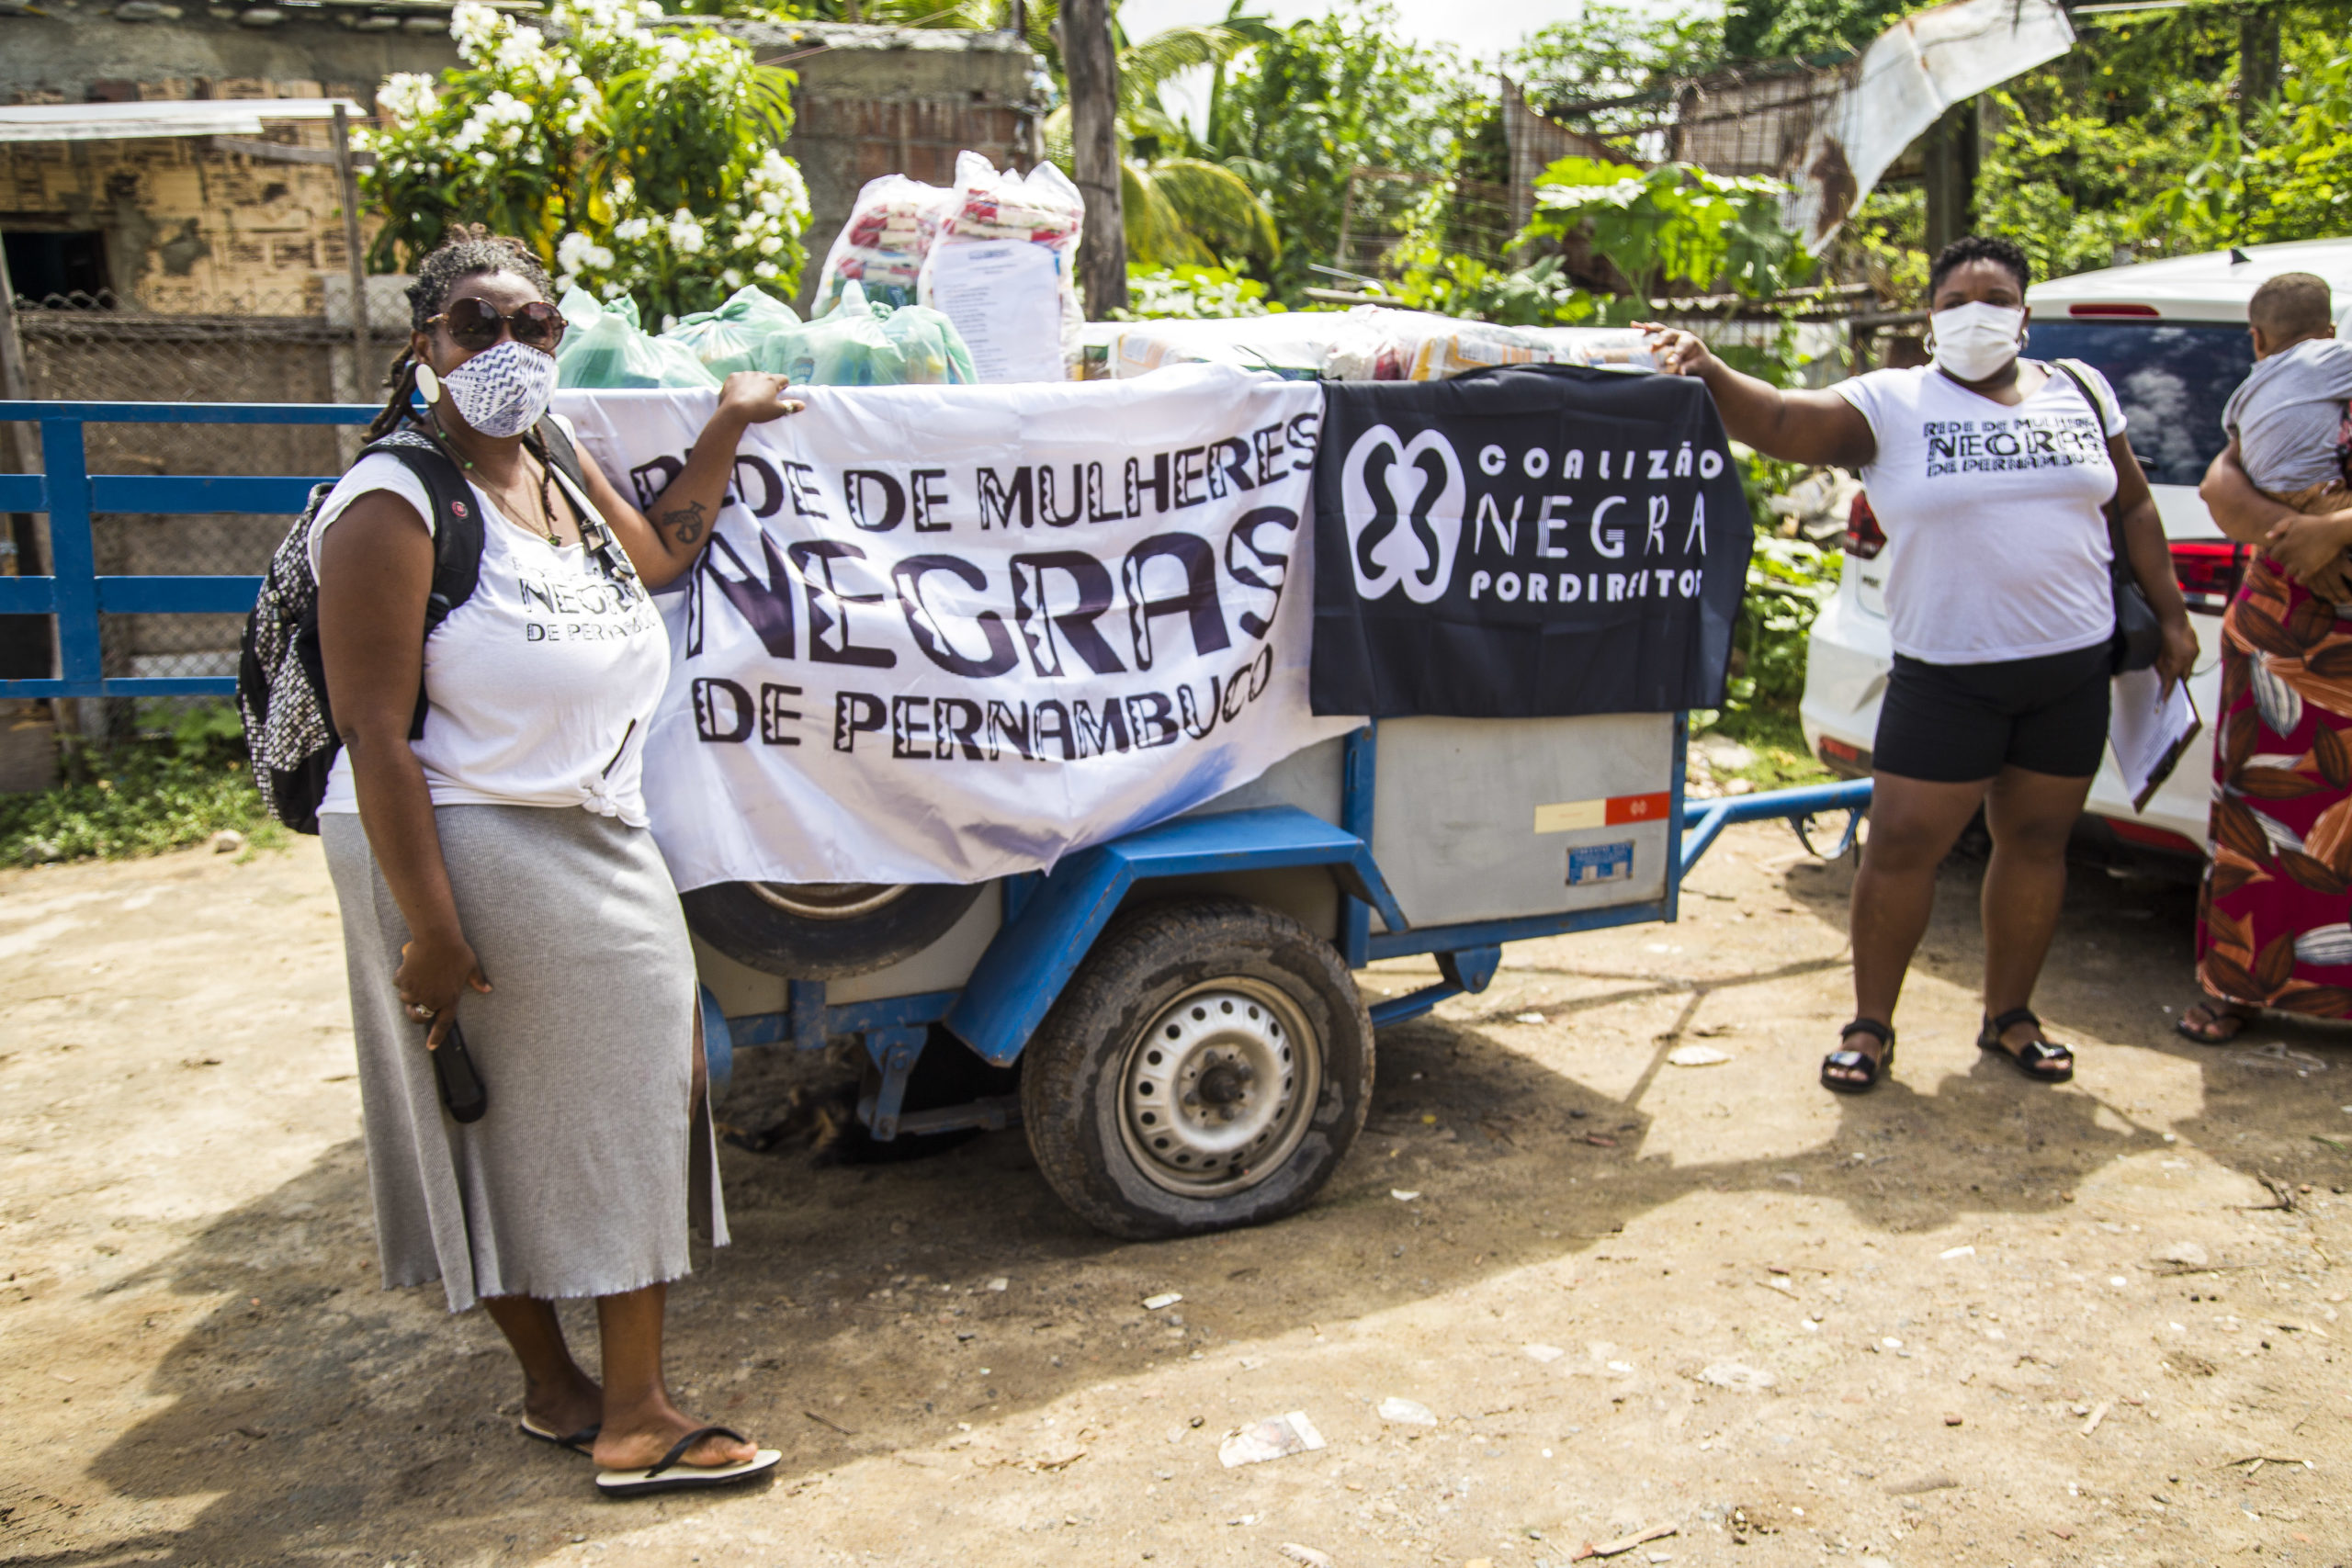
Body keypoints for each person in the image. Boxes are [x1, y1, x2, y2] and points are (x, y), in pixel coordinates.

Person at [314, 226, 800, 1495]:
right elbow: (372, 727)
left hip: (592, 826)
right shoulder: (390, 500)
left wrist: (728, 425)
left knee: (611, 1089)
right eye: (478, 323)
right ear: (425, 343)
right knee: (555, 1097)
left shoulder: (557, 464)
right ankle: (633, 1414)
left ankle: (559, 1390)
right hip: (466, 836)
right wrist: (432, 923)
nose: (511, 347)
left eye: (536, 325)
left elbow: (663, 555)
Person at [1642, 234, 2198, 1093]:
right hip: (1948, 677)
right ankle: (1870, 1027)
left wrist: (2171, 615)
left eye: (1997, 295)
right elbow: (1785, 420)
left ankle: (2011, 1016)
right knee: (1900, 846)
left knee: (2038, 842)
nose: (1978, 310)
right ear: (1931, 317)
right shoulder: (1892, 401)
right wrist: (1711, 372)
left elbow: (2131, 506)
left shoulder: (2081, 390)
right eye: (1956, 298)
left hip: (2070, 671)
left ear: (2024, 311)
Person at [2180, 273, 2352, 1043]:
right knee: (2254, 811)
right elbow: (2222, 483)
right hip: (2279, 631)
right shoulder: (2302, 387)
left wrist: (2335, 531)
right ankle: (2234, 984)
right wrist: (2299, 530)